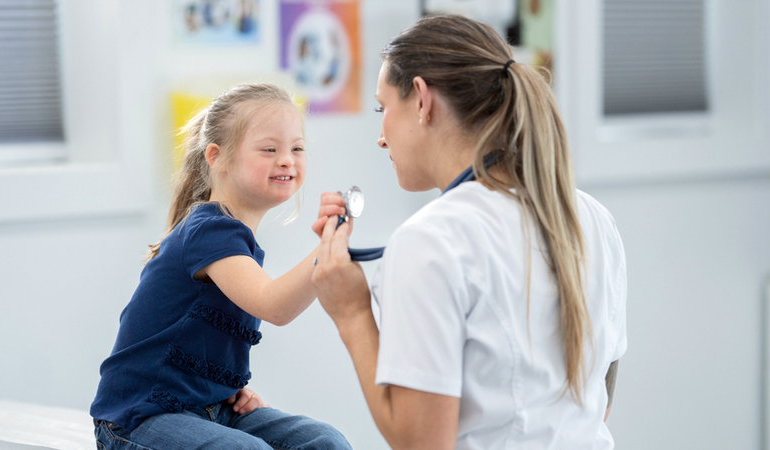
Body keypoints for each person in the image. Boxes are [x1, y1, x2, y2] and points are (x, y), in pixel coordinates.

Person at [310, 15, 627, 450]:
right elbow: (600, 395)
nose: (381, 138)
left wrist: (352, 313)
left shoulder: (431, 241)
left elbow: (422, 445)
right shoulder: (588, 215)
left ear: (421, 99)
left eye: (383, 109)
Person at [90, 83, 352, 450]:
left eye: (297, 148)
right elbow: (275, 305)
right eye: (269, 149)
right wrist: (327, 248)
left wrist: (225, 385)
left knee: (325, 442)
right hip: (139, 418)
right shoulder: (210, 230)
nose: (287, 160)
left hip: (210, 407)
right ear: (217, 157)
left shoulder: (233, 238)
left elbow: (195, 338)